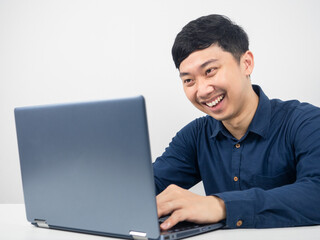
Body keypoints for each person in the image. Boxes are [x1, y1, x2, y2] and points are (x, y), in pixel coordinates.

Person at [153, 14, 320, 231]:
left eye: (210, 71)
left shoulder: (305, 122)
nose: (202, 90)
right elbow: (144, 189)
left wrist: (220, 206)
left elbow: (316, 191)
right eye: (189, 80)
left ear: (246, 63)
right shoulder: (194, 136)